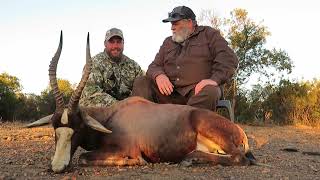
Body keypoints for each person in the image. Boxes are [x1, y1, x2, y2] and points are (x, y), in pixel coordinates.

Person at [132, 6, 238, 111]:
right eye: (171, 24)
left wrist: (214, 80)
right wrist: (159, 75)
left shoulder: (209, 34)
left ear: (190, 22)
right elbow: (154, 66)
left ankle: (184, 125)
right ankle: (143, 125)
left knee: (211, 91)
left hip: (196, 93)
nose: (172, 28)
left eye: (175, 23)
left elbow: (228, 59)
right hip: (168, 94)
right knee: (142, 82)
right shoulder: (168, 42)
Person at [80, 28, 144, 107]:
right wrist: (120, 106)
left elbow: (142, 92)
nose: (115, 46)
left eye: (119, 42)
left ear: (123, 43)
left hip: (130, 113)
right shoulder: (93, 63)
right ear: (105, 44)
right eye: (111, 42)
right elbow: (90, 93)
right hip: (103, 114)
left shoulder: (134, 66)